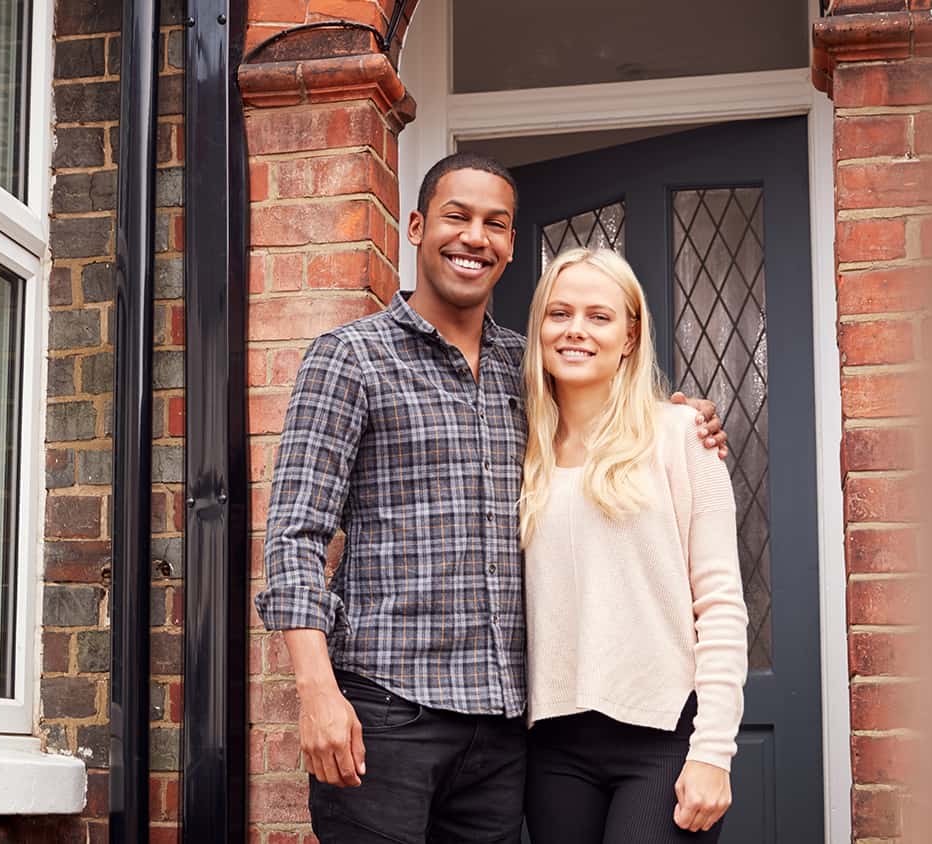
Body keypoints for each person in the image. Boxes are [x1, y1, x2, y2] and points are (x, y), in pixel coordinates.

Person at [254, 153, 728, 843]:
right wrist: (316, 692)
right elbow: (295, 536)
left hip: (504, 736)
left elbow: (613, 422)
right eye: (457, 216)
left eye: (495, 224)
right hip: (387, 720)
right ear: (416, 226)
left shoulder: (528, 368)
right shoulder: (350, 359)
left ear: (509, 247)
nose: (475, 237)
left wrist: (685, 420)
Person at [519, 247, 748, 843]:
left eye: (599, 316)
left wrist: (713, 752)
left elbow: (720, 605)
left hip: (663, 739)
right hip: (553, 748)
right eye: (559, 313)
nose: (576, 330)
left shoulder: (682, 438)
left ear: (630, 335)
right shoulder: (521, 452)